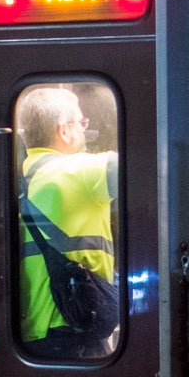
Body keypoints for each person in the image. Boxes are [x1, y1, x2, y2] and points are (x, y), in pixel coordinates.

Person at [16, 86, 118, 358]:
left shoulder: (16, 181)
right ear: (64, 130)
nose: (85, 130)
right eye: (82, 122)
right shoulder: (80, 171)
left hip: (30, 338)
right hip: (75, 333)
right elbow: (148, 166)